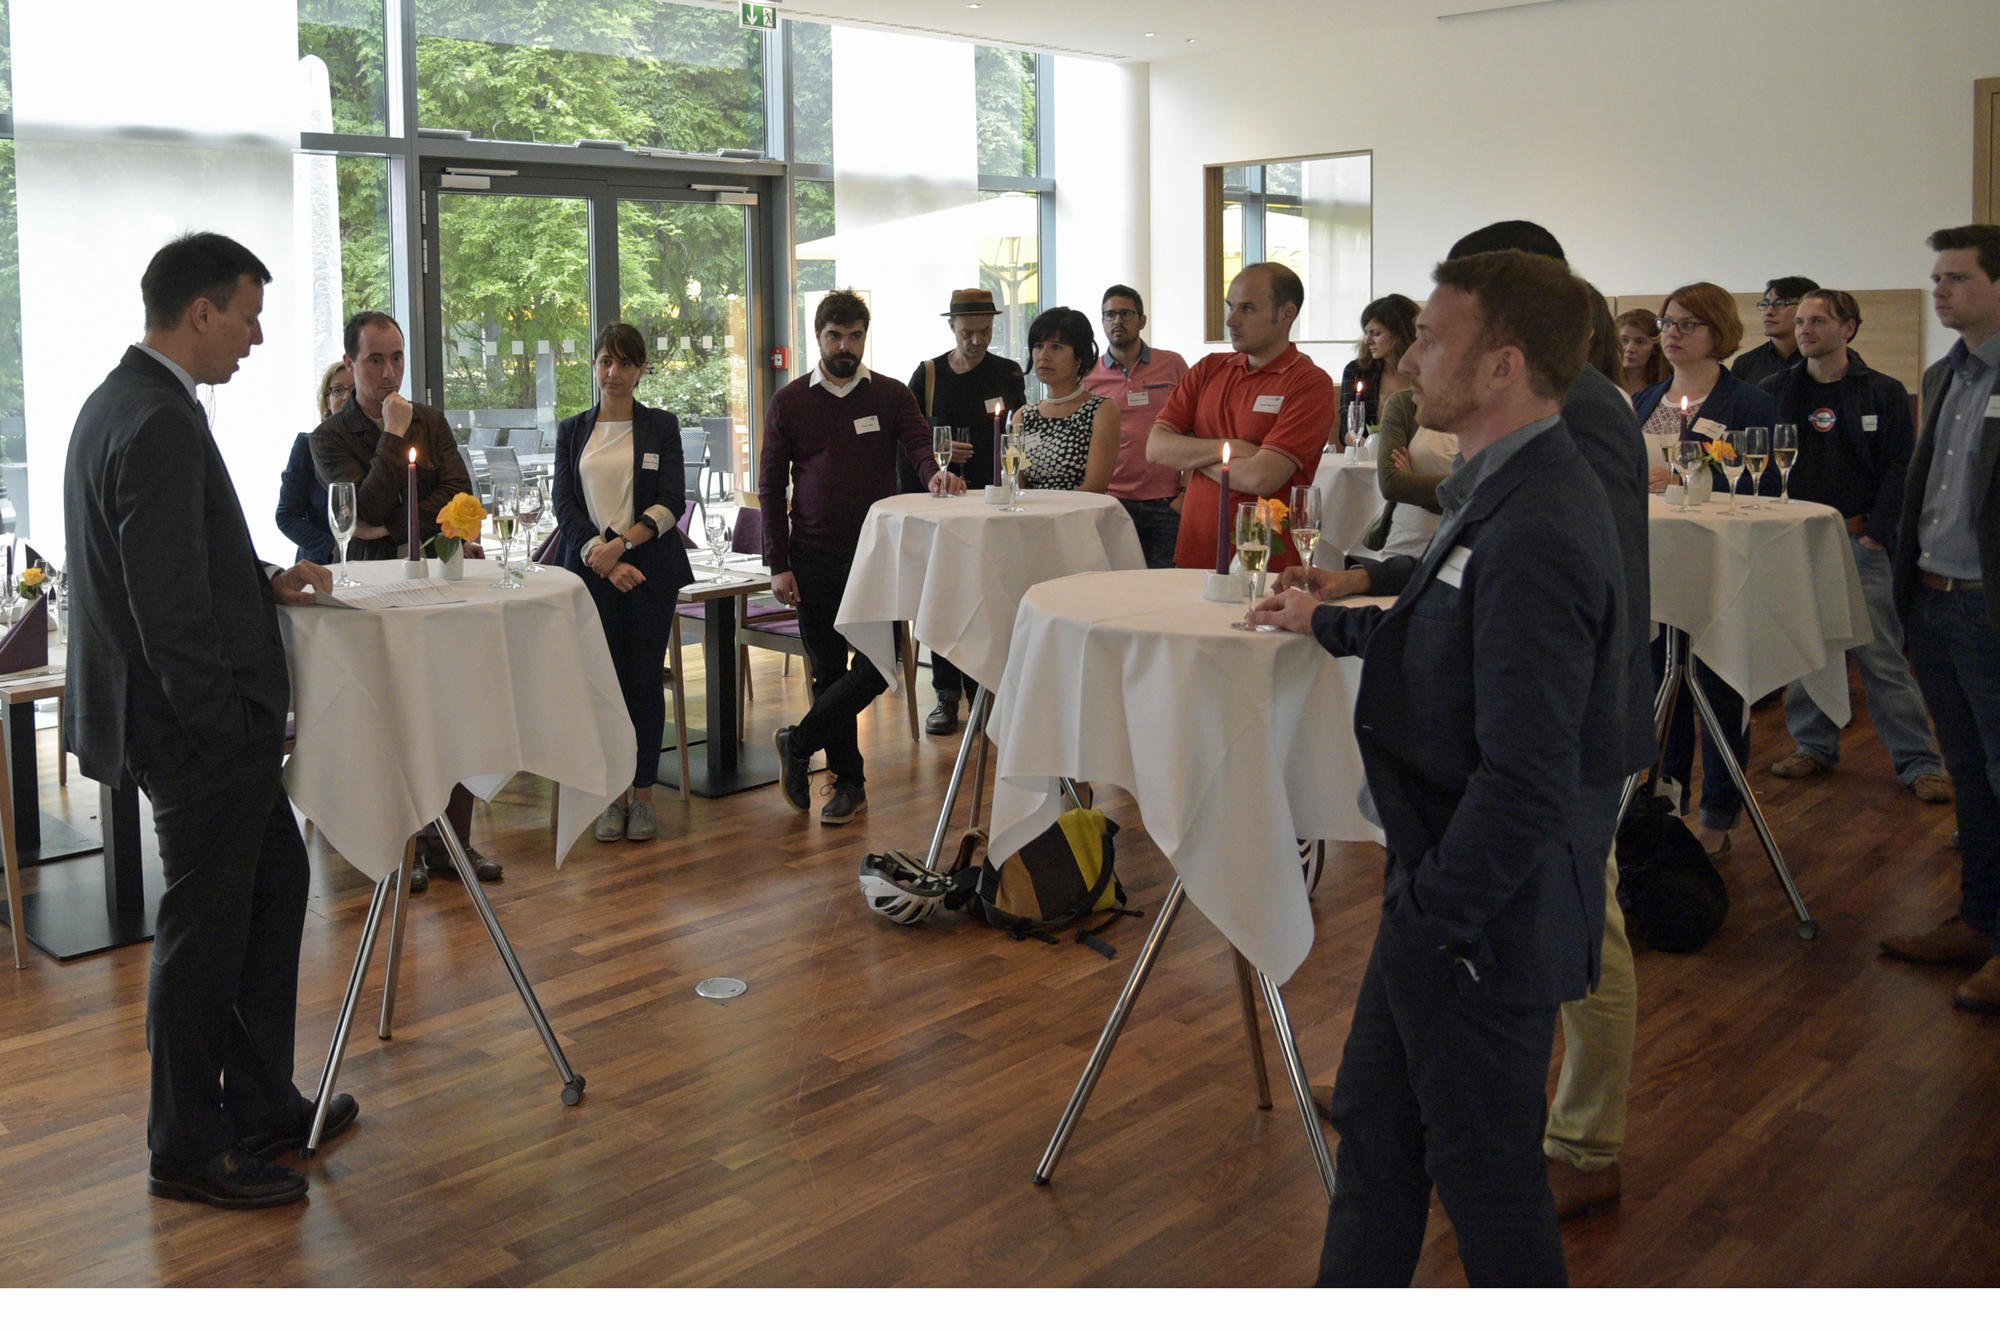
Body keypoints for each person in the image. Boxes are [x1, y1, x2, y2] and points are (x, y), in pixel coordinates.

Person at [1250, 249, 1628, 1285]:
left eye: (1430, 336)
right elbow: (1447, 623)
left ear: (1499, 366)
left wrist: (1430, 922)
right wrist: (1329, 620)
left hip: (1477, 917)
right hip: (1446, 895)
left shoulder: (1541, 517)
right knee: (1377, 1136)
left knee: (1484, 1179)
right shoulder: (1501, 484)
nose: (1407, 357)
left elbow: (1525, 778)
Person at [62, 232, 352, 1209]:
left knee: (275, 881)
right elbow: (169, 612)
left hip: (183, 719)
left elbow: (179, 564)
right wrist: (231, 723)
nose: (258, 335)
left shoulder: (124, 403)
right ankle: (185, 1145)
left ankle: (263, 1101)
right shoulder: (154, 421)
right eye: (247, 313)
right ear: (200, 314)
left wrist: (269, 577)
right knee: (203, 932)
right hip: (196, 731)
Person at [312, 310, 501, 889]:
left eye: (397, 357)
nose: (389, 371)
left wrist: (395, 521)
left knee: (454, 708)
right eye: (375, 360)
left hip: (442, 585)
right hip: (376, 593)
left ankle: (454, 842)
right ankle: (405, 845)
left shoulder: (434, 420)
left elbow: (457, 497)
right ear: (351, 362)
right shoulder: (329, 437)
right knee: (396, 716)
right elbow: (360, 512)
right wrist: (393, 439)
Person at [765, 290, 961, 825]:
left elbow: (922, 450)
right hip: (811, 556)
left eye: (854, 336)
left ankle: (798, 741)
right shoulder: (789, 401)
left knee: (878, 666)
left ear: (864, 338)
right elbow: (768, 487)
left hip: (878, 556)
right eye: (835, 336)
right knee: (828, 672)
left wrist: (935, 475)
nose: (845, 346)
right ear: (818, 337)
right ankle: (849, 783)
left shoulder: (893, 395)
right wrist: (777, 562)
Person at [1761, 290, 1948, 803]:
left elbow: (1900, 470)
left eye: (1817, 320)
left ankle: (1918, 762)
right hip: (1796, 538)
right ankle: (1814, 746)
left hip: (1859, 537)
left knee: (1880, 655)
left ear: (1849, 329)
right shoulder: (1775, 389)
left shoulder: (1883, 392)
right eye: (1799, 321)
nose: (1803, 330)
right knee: (1806, 649)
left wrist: (1876, 537)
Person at [1885, 224, 2000, 1014]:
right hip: (1932, 600)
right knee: (1968, 775)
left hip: (1989, 607)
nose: (1939, 290)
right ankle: (1980, 920)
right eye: (1936, 277)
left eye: (1955, 277)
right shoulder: (1945, 373)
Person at [1633, 281, 1780, 855]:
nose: (1671, 334)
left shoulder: (1749, 402)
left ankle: (1719, 816)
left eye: (1687, 324)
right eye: (1667, 323)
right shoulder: (1648, 403)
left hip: (1723, 569)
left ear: (1718, 332)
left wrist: (1697, 479)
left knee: (1720, 692)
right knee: (1655, 688)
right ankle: (1663, 806)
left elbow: (1767, 483)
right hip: (1660, 568)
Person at [552, 323, 695, 843]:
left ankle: (645, 795)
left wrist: (625, 546)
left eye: (624, 364)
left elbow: (672, 500)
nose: (613, 373)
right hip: (591, 575)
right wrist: (601, 556)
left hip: (651, 572)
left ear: (640, 371)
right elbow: (563, 504)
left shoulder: (661, 426)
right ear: (594, 365)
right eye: (605, 362)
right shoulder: (572, 430)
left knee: (641, 682)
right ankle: (612, 796)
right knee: (603, 685)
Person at [1148, 262, 1335, 575]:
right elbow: (1155, 449)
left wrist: (1192, 453)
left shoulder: (1309, 382)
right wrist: (1232, 447)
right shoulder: (1209, 368)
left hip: (1266, 562)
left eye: (1247, 309)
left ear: (1287, 314)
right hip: (1195, 552)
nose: (1232, 320)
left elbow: (1261, 478)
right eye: (1230, 307)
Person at [905, 288, 1027, 735]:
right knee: (944, 593)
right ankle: (945, 693)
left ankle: (982, 690)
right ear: (951, 327)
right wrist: (939, 450)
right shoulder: (930, 374)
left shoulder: (1008, 373)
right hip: (945, 503)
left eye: (986, 331)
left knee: (985, 596)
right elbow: (910, 436)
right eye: (968, 331)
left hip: (993, 500)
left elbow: (1019, 428)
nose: (977, 340)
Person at [1080, 284, 1189, 568]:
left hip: (1166, 502)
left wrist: (1185, 494)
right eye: (1110, 315)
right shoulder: (1088, 374)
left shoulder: (1173, 364)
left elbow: (1195, 429)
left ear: (1142, 320)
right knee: (1116, 588)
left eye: (1126, 313)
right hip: (1112, 502)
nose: (1117, 321)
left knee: (1165, 589)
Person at [1014, 306, 1119, 493]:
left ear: (1079, 358)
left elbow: (1095, 486)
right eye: (1038, 346)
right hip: (1030, 516)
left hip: (1077, 515)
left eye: (1056, 347)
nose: (1043, 356)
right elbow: (1016, 486)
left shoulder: (1101, 411)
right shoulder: (1023, 416)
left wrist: (1051, 516)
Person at [1365, 387, 1457, 559]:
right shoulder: (1403, 403)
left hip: (1465, 542)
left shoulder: (1489, 405)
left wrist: (1414, 485)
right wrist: (1459, 489)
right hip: (1407, 541)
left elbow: (1487, 485)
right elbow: (1392, 484)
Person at [275, 362, 352, 564]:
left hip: (373, 564)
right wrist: (332, 548)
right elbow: (286, 516)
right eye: (337, 390)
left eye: (354, 390)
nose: (346, 397)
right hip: (320, 564)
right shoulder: (306, 446)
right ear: (327, 401)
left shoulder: (380, 446)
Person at [1336, 294, 1418, 442]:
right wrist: (1371, 449)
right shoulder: (1357, 371)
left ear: (1401, 333)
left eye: (1376, 333)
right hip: (1370, 456)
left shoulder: (1428, 372)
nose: (1368, 341)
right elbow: (1347, 430)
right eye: (1367, 333)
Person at [1731, 274, 1818, 389]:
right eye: (1765, 304)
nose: (1769, 312)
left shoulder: (1825, 358)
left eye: (1780, 303)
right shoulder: (1745, 364)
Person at [1613, 308, 1665, 399]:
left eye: (1640, 342)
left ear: (1655, 348)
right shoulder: (1605, 381)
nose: (1630, 349)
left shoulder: (1663, 387)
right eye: (1624, 340)